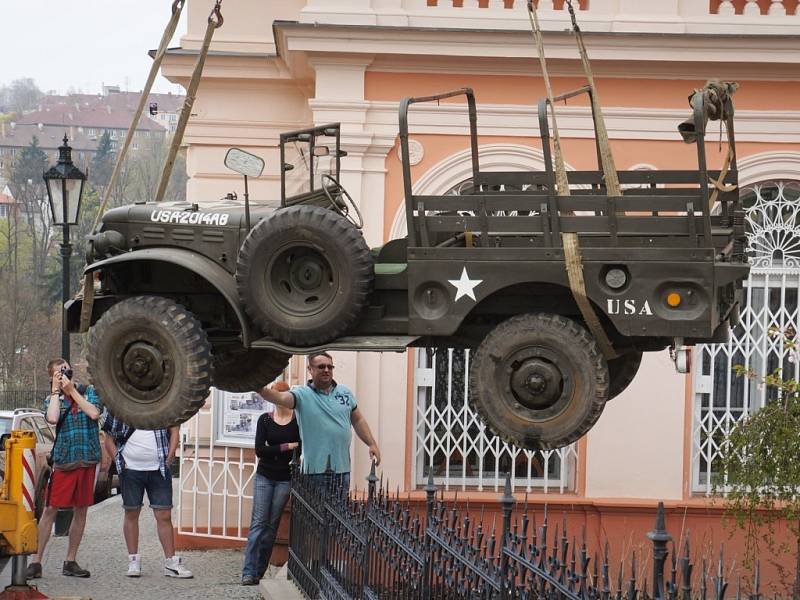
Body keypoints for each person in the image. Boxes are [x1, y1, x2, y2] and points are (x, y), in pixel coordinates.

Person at [258, 352, 381, 493]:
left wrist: (371, 444)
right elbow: (278, 397)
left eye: (330, 367)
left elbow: (358, 419)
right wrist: (259, 386)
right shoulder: (301, 394)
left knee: (339, 514)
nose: (327, 370)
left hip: (342, 470)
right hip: (314, 472)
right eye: (321, 366)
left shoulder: (345, 392)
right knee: (315, 514)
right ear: (310, 369)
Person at [26, 358, 102, 579]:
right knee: (51, 509)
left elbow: (94, 413)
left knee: (82, 509)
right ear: (52, 376)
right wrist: (57, 392)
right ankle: (36, 561)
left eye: (66, 369)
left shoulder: (88, 391)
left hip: (87, 458)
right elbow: (52, 418)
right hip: (65, 460)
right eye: (59, 372)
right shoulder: (53, 398)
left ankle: (70, 560)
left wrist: (72, 391)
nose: (65, 373)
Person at [102, 412, 193, 578]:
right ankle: (133, 560)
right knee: (131, 512)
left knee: (164, 514)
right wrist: (120, 461)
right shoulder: (121, 405)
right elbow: (109, 440)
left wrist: (170, 456)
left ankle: (171, 562)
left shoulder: (163, 404)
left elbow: (174, 430)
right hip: (130, 470)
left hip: (159, 468)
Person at [241, 383, 301, 586]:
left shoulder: (297, 421)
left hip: (285, 478)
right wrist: (287, 446)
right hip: (264, 476)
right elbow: (260, 450)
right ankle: (248, 572)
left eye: (280, 394)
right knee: (258, 523)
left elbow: (300, 449)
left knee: (271, 526)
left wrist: (275, 448)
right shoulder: (265, 420)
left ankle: (258, 571)